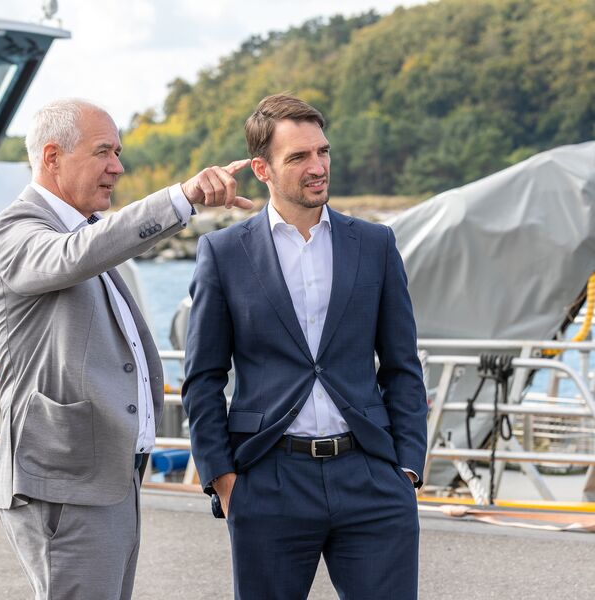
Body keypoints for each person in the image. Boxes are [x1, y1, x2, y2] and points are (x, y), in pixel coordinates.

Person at [0, 98, 252, 600]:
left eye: (118, 152)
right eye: (103, 152)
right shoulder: (16, 231)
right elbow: (74, 256)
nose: (118, 166)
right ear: (52, 157)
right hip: (65, 485)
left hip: (105, 478)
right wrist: (182, 197)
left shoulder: (84, 231)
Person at [182, 94, 428, 599]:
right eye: (298, 157)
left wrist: (407, 469)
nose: (317, 167)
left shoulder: (376, 244)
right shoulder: (224, 253)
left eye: (323, 151)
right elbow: (203, 378)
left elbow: (402, 365)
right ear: (262, 169)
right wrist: (222, 479)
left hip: (370, 477)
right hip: (268, 480)